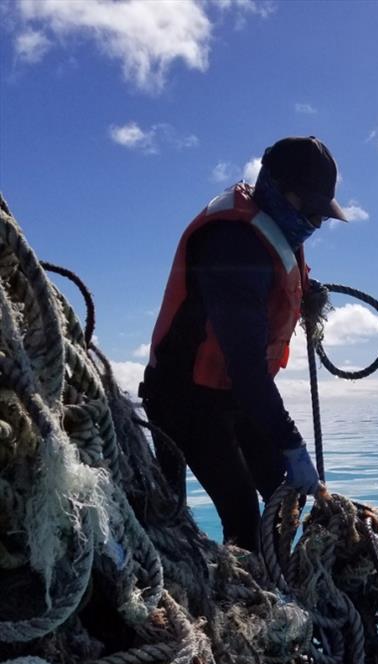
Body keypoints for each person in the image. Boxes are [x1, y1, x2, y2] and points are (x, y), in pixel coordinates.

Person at [140, 136, 347, 551]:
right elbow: (248, 369)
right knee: (242, 519)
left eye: (321, 214)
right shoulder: (231, 245)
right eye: (308, 209)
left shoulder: (276, 228)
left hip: (232, 394)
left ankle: (287, 587)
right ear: (274, 188)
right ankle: (245, 605)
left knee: (279, 500)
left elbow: (276, 276)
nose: (315, 223)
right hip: (186, 398)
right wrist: (292, 444)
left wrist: (308, 290)